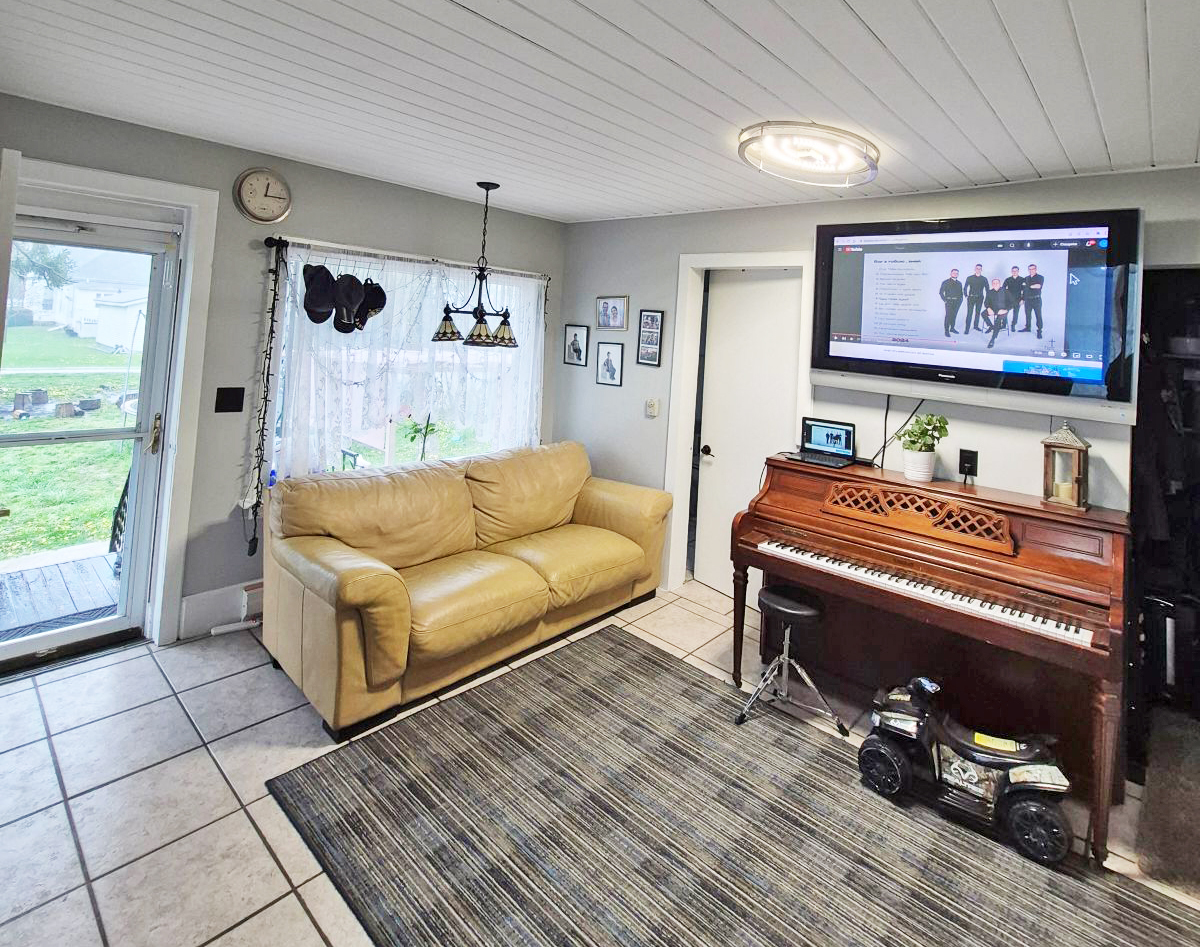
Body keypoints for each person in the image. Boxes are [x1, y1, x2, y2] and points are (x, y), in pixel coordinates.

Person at [964, 263, 989, 334]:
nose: (978, 270)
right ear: (975, 269)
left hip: (980, 298)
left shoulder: (984, 279)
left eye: (980, 269)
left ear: (981, 270)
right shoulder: (969, 278)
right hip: (971, 298)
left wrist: (987, 299)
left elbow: (987, 289)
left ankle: (976, 326)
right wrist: (966, 295)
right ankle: (967, 329)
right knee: (969, 313)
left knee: (977, 313)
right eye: (977, 268)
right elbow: (965, 287)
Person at [1020, 263, 1044, 337]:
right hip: (1027, 300)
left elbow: (1038, 286)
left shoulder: (1040, 277)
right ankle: (1028, 327)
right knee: (1027, 315)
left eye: (1033, 269)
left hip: (1036, 299)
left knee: (1038, 315)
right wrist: (1022, 299)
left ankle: (1039, 331)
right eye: (1030, 269)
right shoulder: (1026, 278)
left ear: (1035, 269)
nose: (1031, 270)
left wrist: (1028, 286)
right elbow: (1023, 290)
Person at [939, 268, 964, 337]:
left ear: (958, 274)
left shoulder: (959, 283)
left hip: (957, 302)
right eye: (954, 273)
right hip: (949, 301)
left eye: (957, 273)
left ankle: (952, 328)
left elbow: (961, 293)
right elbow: (941, 292)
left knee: (954, 315)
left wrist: (961, 300)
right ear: (950, 274)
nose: (955, 274)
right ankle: (946, 331)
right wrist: (945, 300)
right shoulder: (945, 282)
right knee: (948, 316)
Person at [985, 278, 1009, 349]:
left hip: (1003, 310)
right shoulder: (989, 292)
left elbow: (1012, 302)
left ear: (1000, 283)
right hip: (993, 309)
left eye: (997, 283)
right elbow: (986, 302)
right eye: (994, 283)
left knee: (997, 321)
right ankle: (991, 326)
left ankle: (992, 339)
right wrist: (988, 308)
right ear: (992, 284)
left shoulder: (1005, 291)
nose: (995, 284)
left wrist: (1006, 310)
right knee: (983, 314)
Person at [1003, 266, 1025, 336]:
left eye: (1016, 271)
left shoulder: (1022, 279)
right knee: (1004, 312)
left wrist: (1022, 299)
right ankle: (1003, 325)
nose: (1014, 272)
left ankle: (1013, 325)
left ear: (1018, 271)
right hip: (1008, 300)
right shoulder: (1008, 279)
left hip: (1018, 300)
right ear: (1011, 271)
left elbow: (1024, 290)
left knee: (1016, 314)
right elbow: (1003, 289)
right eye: (1013, 271)